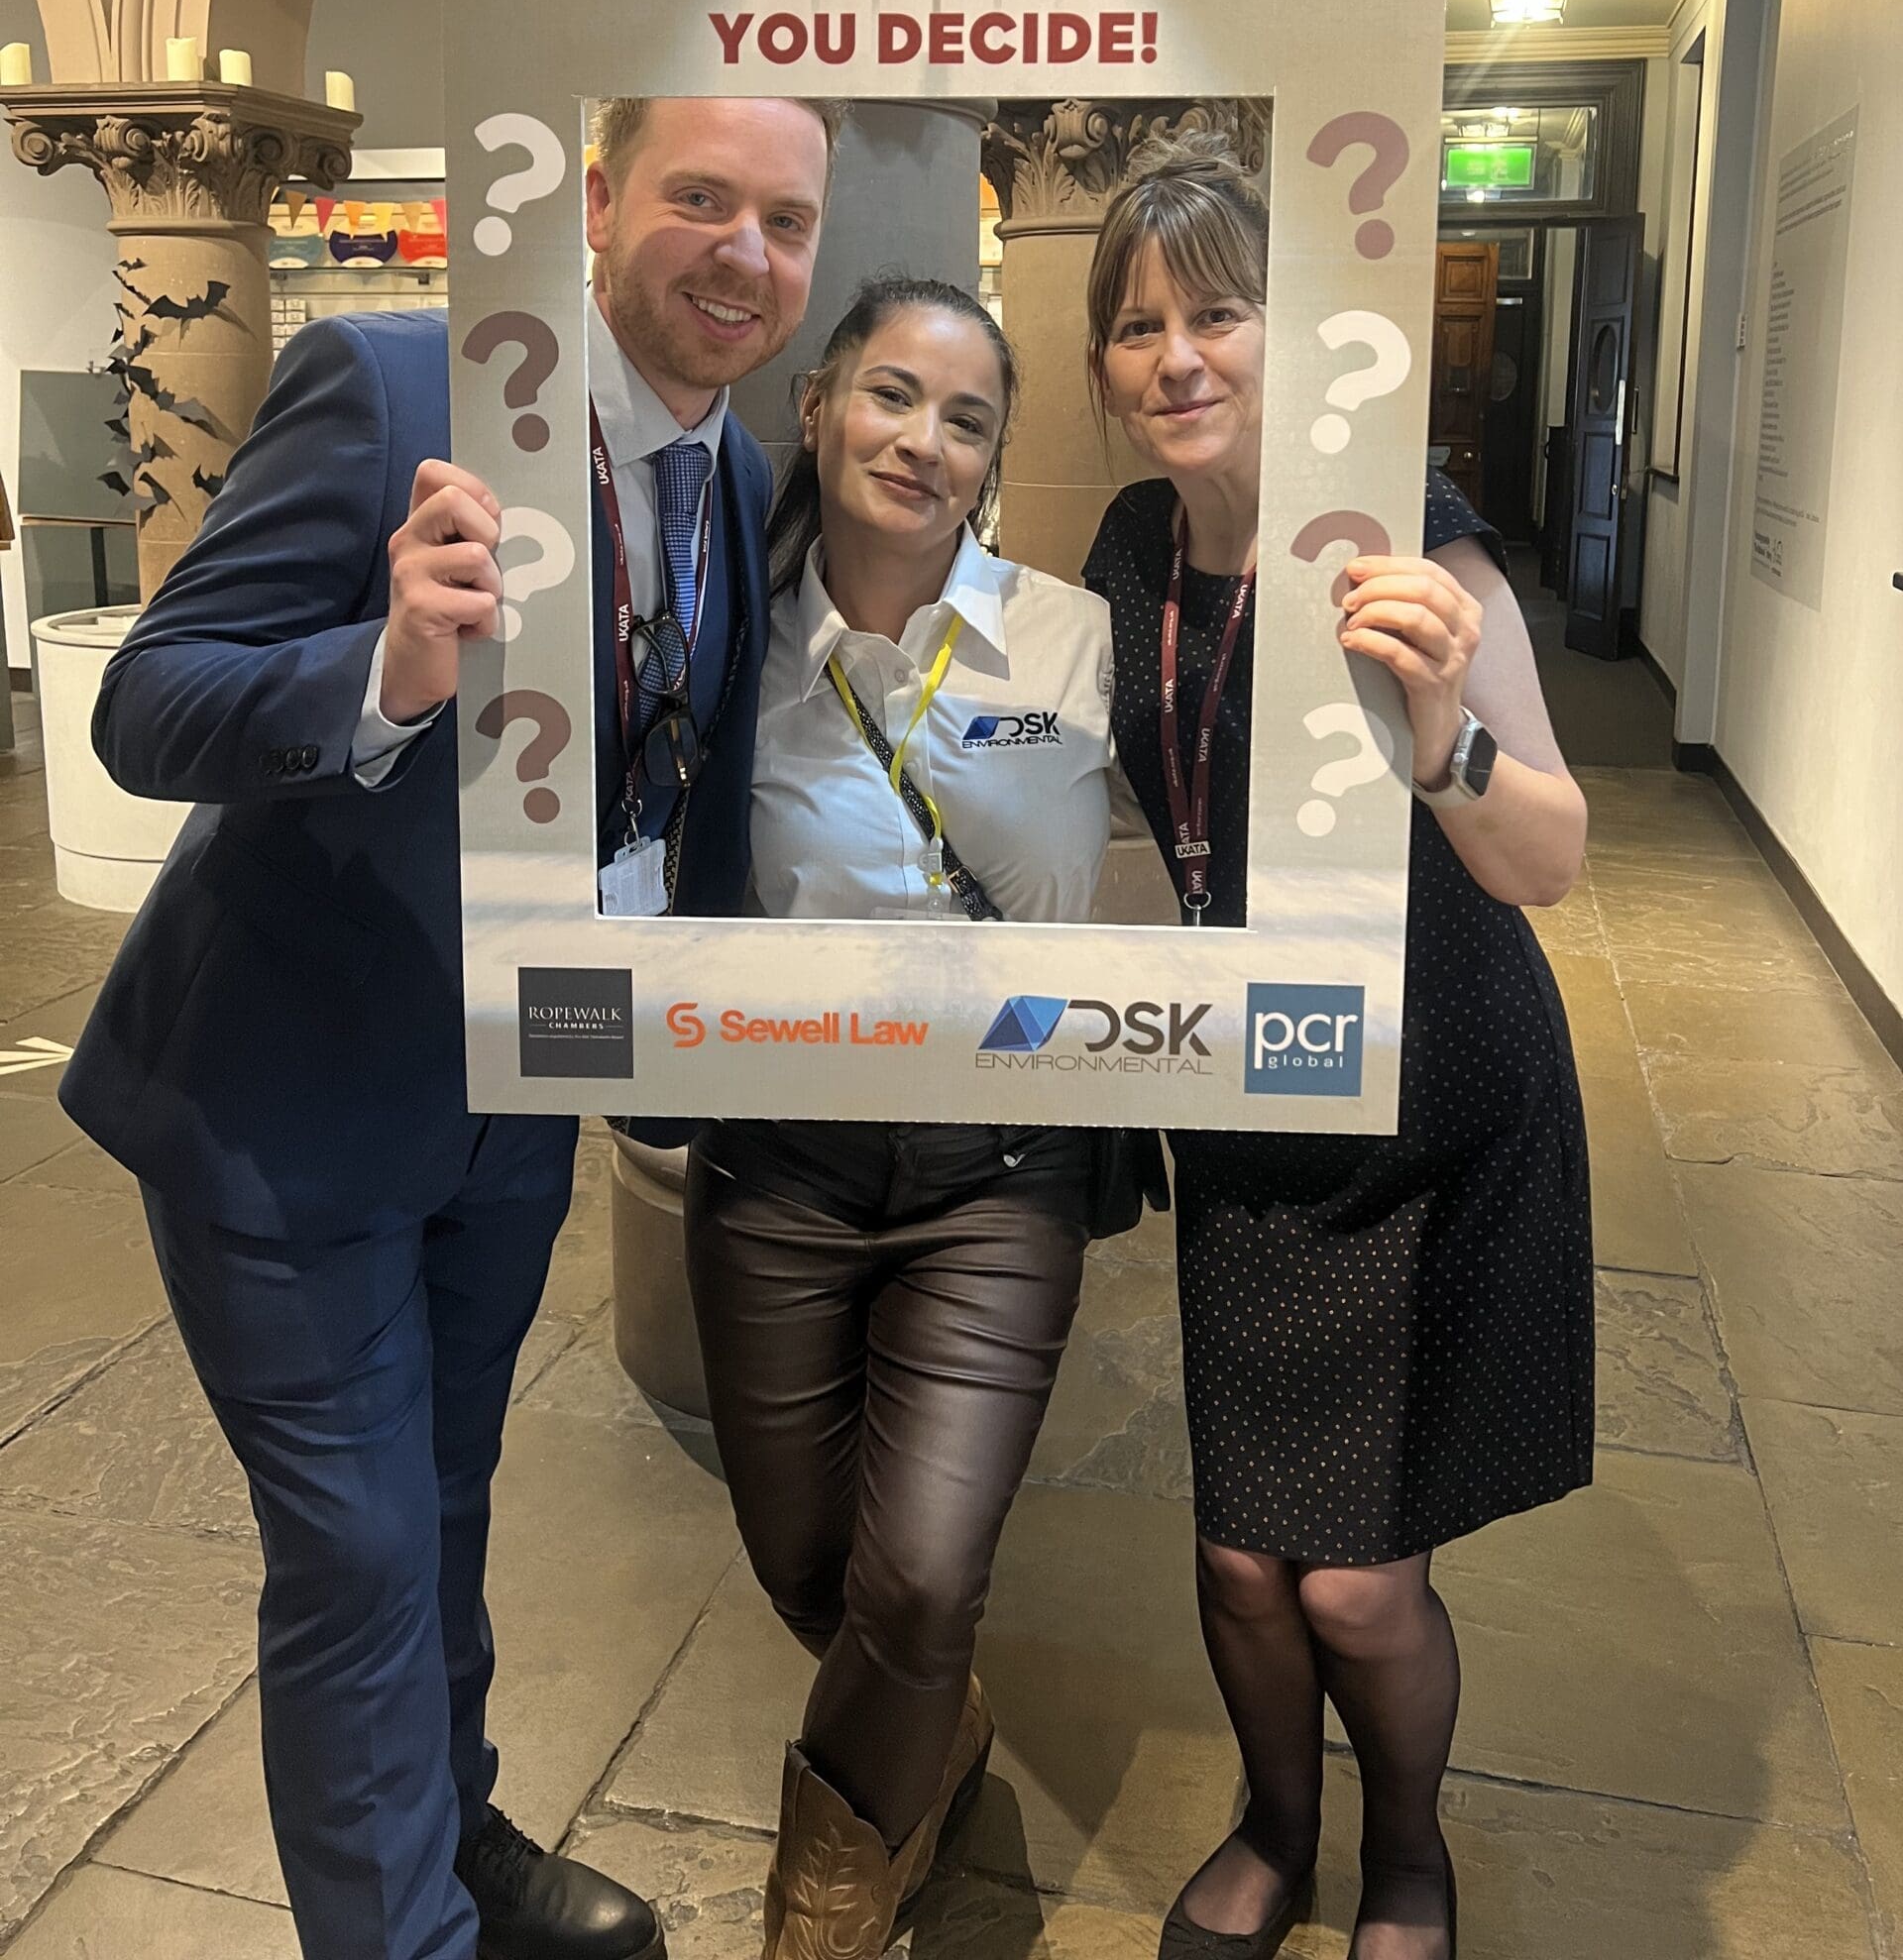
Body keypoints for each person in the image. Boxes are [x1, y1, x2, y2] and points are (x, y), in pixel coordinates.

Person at [60, 95, 844, 1960]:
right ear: (600, 201)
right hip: (284, 1099)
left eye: (789, 218)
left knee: (447, 1504)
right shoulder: (397, 387)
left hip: (515, 1101)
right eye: (702, 197)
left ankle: (449, 1836)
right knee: (358, 1555)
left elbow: (688, 789)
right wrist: (385, 670)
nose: (747, 254)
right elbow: (148, 704)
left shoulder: (743, 476)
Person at [1080, 137, 1594, 1960]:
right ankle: (1276, 1831)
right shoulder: (1130, 549)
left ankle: (1409, 1858)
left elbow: (1550, 856)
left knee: (1363, 1588)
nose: (1178, 357)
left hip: (1439, 1105)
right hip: (1251, 1105)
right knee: (1242, 1559)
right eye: (1138, 326)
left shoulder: (1414, 545)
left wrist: (1446, 731)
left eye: (1219, 313)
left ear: (1294, 330)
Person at [683, 274, 1158, 1960]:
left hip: (999, 1173)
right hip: (779, 1163)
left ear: (994, 457)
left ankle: (826, 1897)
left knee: (924, 1578)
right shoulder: (725, 640)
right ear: (817, 406)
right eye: (892, 395)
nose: (924, 441)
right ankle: (935, 1730)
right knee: (808, 1568)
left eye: (967, 419)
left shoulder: (1072, 638)